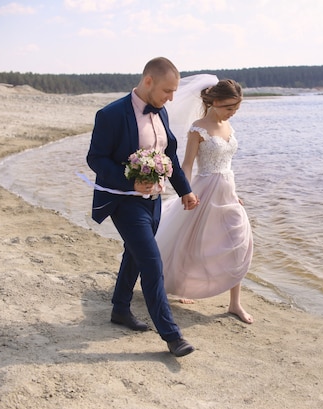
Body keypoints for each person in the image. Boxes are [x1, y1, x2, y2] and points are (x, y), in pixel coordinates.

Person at [86, 57, 200, 357]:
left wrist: (184, 191)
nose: (171, 98)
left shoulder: (160, 113)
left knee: (135, 255)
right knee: (151, 261)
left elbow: (169, 155)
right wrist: (130, 181)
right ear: (148, 81)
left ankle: (120, 309)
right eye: (167, 90)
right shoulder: (111, 114)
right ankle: (172, 336)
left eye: (174, 92)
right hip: (123, 199)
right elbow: (95, 159)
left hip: (155, 200)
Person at [156, 79, 254, 324]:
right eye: (229, 107)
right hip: (204, 191)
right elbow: (187, 164)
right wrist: (184, 192)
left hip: (228, 192)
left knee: (237, 244)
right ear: (215, 101)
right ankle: (181, 286)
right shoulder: (197, 129)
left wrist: (235, 193)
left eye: (236, 109)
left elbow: (227, 165)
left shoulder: (228, 125)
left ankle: (234, 304)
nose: (233, 113)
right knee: (192, 241)